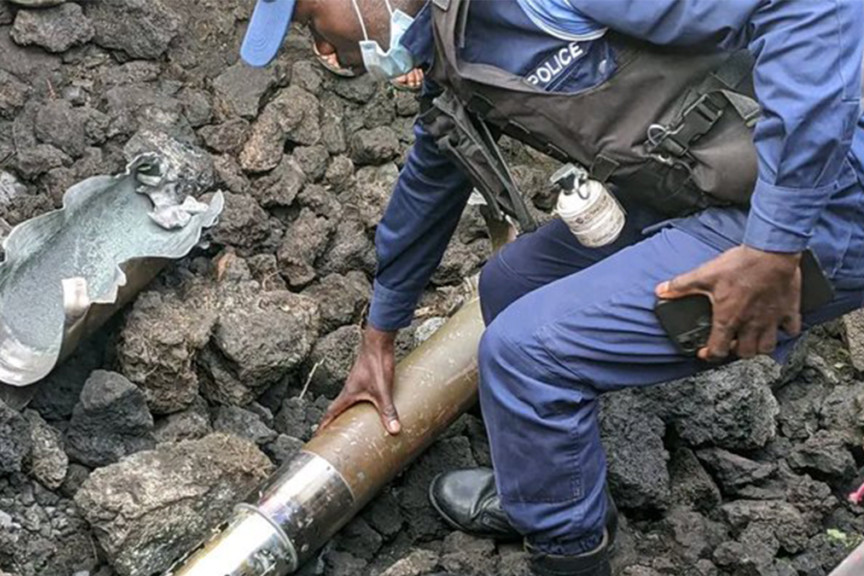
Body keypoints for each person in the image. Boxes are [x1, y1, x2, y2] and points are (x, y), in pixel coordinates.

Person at [241, 1, 864, 575]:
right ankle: (551, 490)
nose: (324, 51)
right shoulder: (455, 47)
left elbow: (818, 7)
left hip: (823, 205)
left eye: (310, 22)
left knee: (524, 355)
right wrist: (380, 332)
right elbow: (431, 182)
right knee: (510, 283)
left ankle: (568, 556)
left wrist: (775, 241)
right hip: (708, 185)